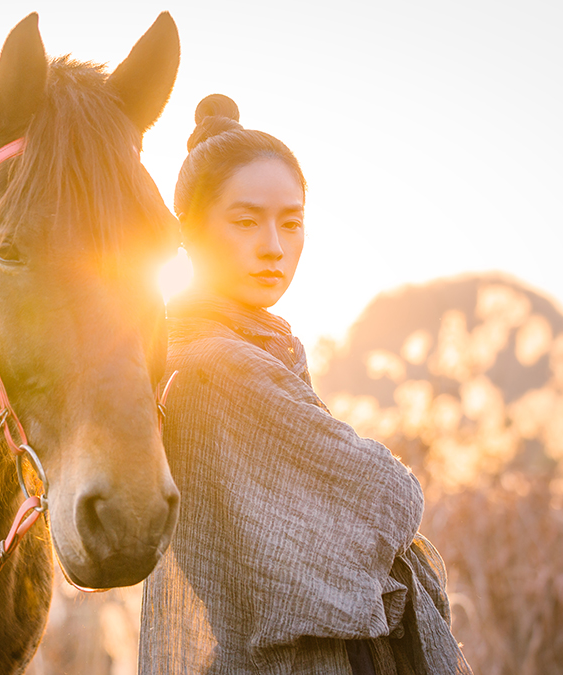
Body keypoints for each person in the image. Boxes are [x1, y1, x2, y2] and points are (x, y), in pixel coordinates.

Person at [139, 94, 471, 674]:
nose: (273, 245)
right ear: (188, 232)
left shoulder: (248, 349)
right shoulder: (218, 367)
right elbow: (385, 495)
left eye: (290, 222)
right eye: (245, 221)